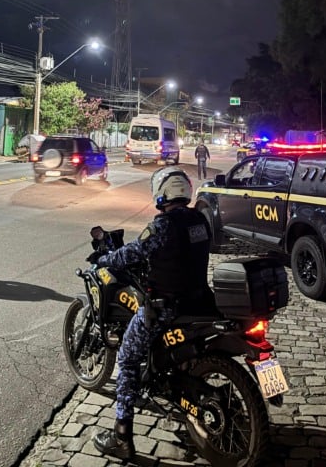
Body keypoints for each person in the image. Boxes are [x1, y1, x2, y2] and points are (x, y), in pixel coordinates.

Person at [91, 166, 214, 462]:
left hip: (165, 307)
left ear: (163, 193)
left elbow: (133, 252)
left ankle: (121, 436)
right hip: (199, 301)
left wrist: (106, 258)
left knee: (127, 358)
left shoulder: (163, 225)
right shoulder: (200, 219)